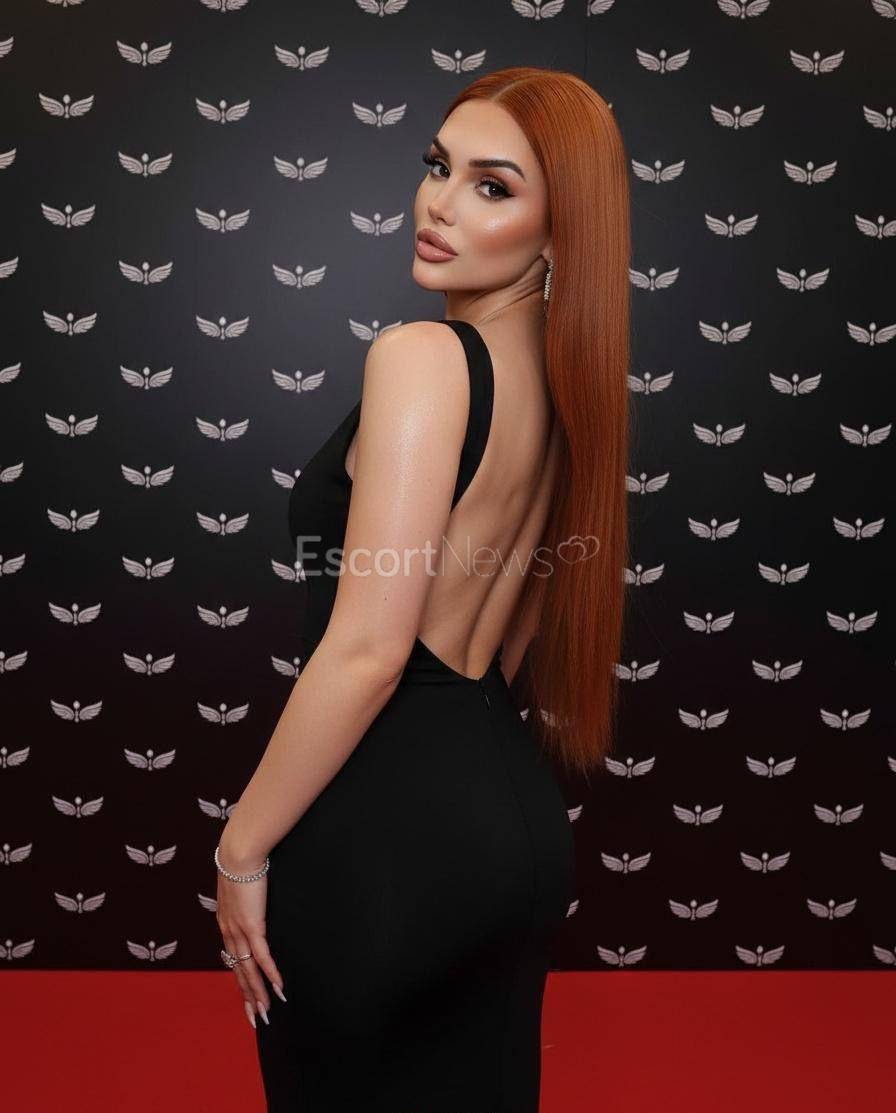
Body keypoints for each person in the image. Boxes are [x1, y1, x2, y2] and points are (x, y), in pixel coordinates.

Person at [214, 66, 631, 1112]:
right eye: (438, 167)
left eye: (492, 187)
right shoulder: (569, 387)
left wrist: (240, 850)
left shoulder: (422, 358)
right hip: (512, 827)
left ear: (559, 231)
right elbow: (515, 627)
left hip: (385, 838)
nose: (439, 204)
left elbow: (370, 650)